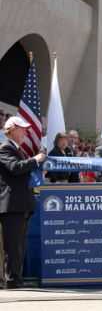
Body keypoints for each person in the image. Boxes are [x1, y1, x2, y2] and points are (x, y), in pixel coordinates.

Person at [0, 116, 46, 289]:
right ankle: (11, 279)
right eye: (22, 128)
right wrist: (36, 160)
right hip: (11, 205)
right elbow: (15, 168)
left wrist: (35, 159)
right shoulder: (5, 148)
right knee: (12, 245)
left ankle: (15, 278)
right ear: (11, 129)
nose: (26, 131)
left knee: (19, 245)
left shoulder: (18, 149)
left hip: (21, 204)